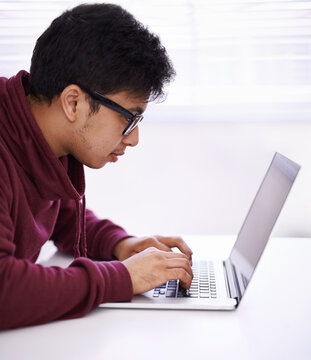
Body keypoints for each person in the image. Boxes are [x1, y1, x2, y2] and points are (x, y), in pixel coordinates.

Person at [0, 3, 193, 329]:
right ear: (73, 102)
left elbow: (60, 213)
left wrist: (120, 244)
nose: (133, 139)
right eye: (129, 117)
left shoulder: (42, 136)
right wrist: (123, 278)